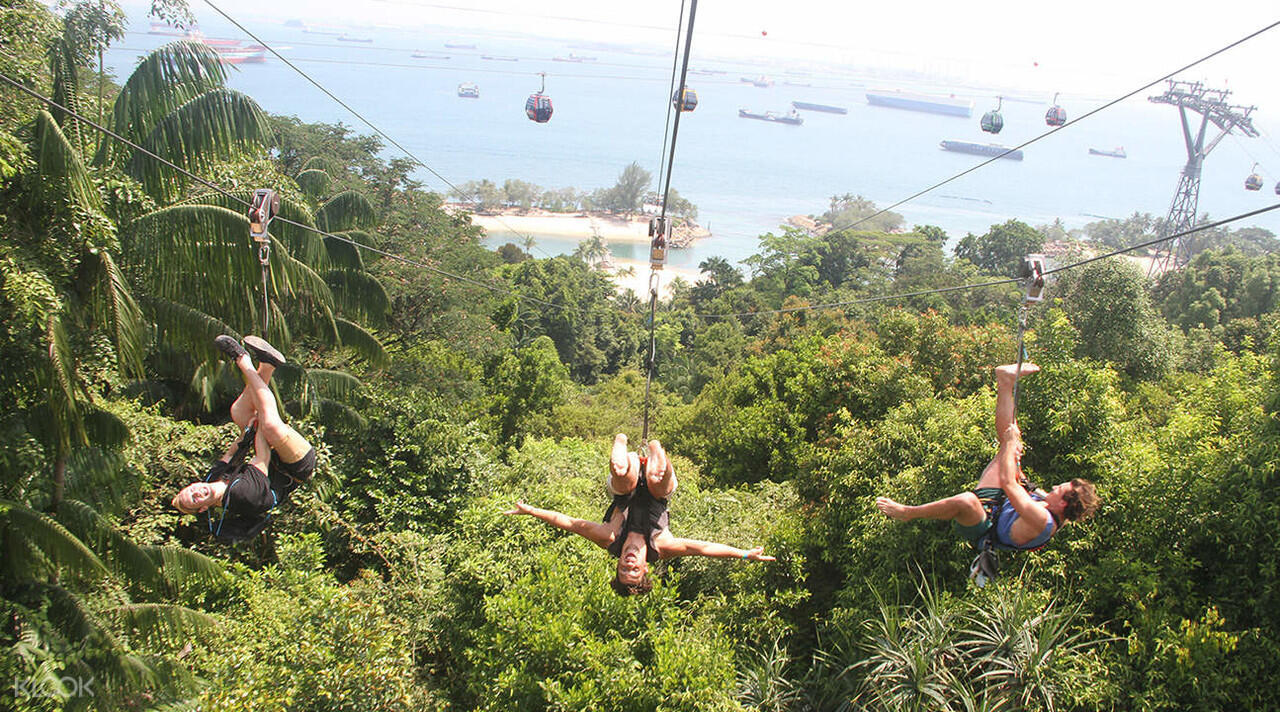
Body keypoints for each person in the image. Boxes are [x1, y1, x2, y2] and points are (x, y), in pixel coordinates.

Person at [504, 434, 776, 596]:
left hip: (627, 487)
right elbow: (704, 548)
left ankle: (622, 442)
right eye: (633, 569)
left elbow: (568, 523)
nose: (629, 563)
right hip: (659, 491)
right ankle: (656, 450)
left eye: (623, 568)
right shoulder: (662, 547)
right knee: (659, 476)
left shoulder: (610, 538)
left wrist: (530, 511)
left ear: (619, 563)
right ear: (645, 568)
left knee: (620, 470)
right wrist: (743, 554)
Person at [875, 363, 1098, 551]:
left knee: (967, 499)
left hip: (984, 528)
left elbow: (1010, 484)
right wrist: (1013, 451)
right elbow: (1024, 486)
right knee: (1011, 445)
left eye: (1061, 488)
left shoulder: (1043, 520)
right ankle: (1005, 381)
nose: (1056, 485)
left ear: (1062, 503)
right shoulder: (1053, 505)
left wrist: (1011, 448)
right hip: (999, 505)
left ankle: (908, 513)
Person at [171, 335, 316, 541]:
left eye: (191, 490)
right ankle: (243, 360)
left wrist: (245, 430)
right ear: (203, 508)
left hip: (271, 459)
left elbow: (232, 454)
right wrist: (257, 425)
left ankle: (267, 365)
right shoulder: (241, 496)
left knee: (238, 412)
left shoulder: (211, 479)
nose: (197, 491)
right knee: (270, 426)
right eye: (195, 499)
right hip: (294, 466)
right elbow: (262, 458)